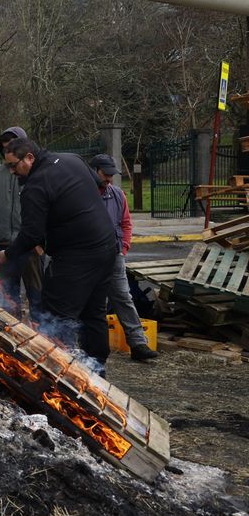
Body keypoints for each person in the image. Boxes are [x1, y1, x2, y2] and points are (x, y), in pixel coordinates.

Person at [0, 139, 118, 366]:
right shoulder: (72, 159)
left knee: (54, 315)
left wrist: (8, 254)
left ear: (30, 157)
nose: (13, 172)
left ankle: (58, 371)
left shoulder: (34, 186)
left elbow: (31, 234)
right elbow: (96, 184)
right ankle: (97, 369)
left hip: (76, 255)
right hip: (106, 247)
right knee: (94, 313)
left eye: (14, 166)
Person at [89, 154, 159, 362]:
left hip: (114, 255)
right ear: (93, 170)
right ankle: (94, 346)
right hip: (89, 257)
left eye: (112, 175)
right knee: (93, 302)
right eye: (106, 174)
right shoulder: (83, 195)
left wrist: (124, 248)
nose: (109, 179)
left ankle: (138, 344)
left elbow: (126, 224)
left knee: (123, 298)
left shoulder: (117, 195)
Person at [0, 127, 43, 315]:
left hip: (30, 246)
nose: (8, 152)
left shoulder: (34, 172)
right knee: (8, 297)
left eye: (12, 147)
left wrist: (41, 243)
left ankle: (41, 333)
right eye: (5, 148)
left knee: (37, 295)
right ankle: (12, 333)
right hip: (2, 245)